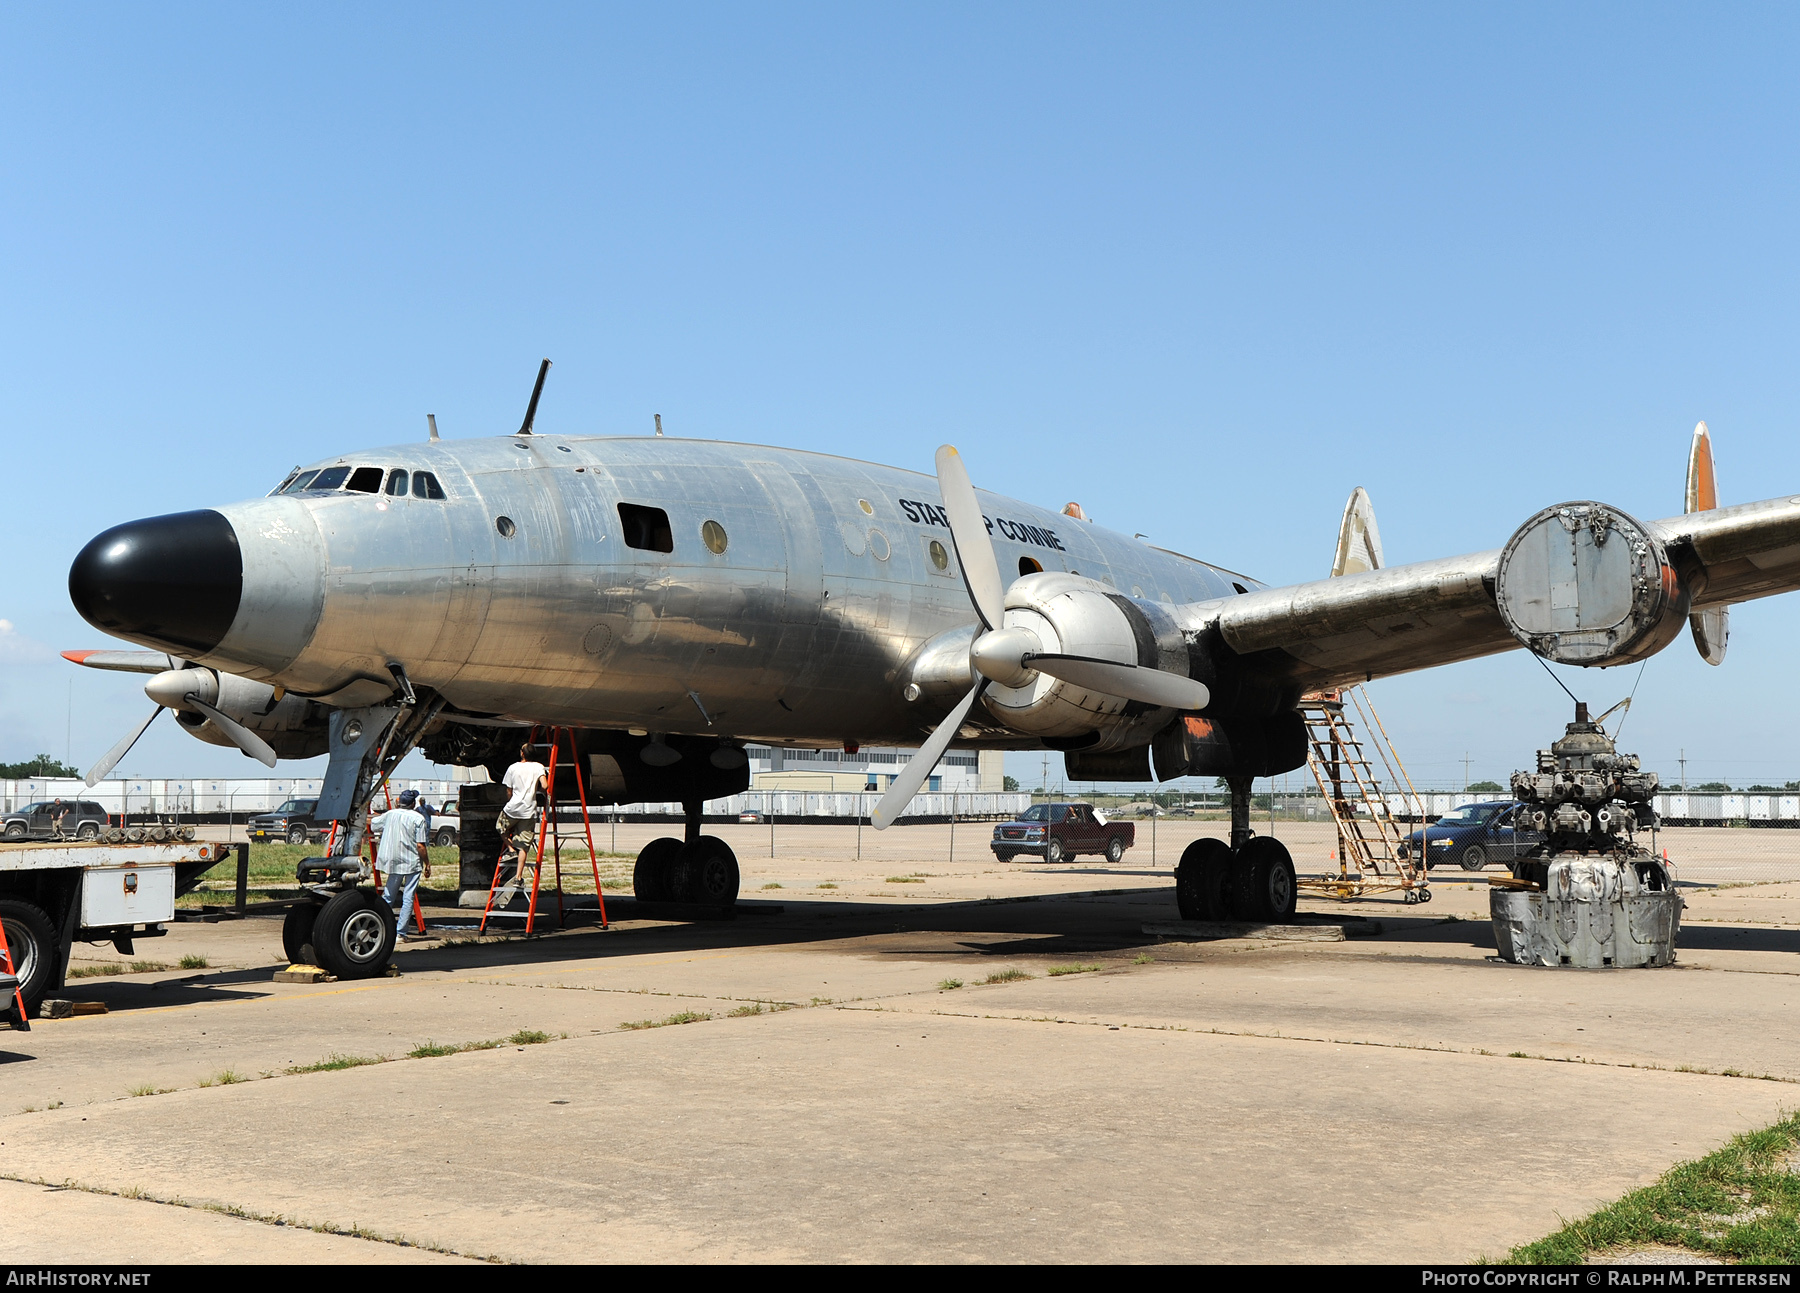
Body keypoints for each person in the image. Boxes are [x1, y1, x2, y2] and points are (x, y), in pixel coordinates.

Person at [371, 788, 431, 939]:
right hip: (411, 862)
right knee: (408, 897)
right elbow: (420, 845)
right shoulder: (418, 819)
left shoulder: (390, 814)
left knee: (388, 896)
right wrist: (427, 864)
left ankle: (377, 926)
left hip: (393, 860)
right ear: (412, 804)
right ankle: (400, 933)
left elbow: (373, 824)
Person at [496, 743, 548, 901]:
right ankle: (518, 877)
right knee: (524, 846)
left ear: (522, 753)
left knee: (500, 828)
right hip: (528, 811)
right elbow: (545, 786)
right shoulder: (539, 767)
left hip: (512, 808)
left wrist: (511, 799)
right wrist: (537, 791)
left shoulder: (513, 768)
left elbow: (508, 789)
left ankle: (510, 849)